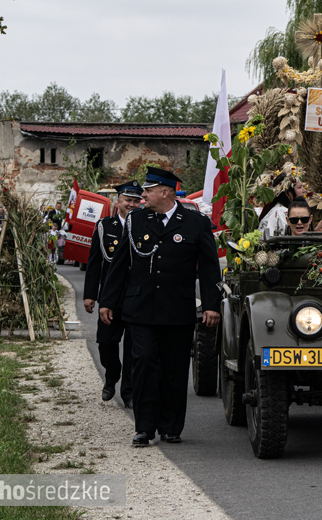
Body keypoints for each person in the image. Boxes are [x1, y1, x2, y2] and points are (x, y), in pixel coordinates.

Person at [100, 167, 221, 447]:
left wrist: (211, 306)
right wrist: (108, 301)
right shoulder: (136, 221)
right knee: (143, 365)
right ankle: (144, 427)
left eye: (148, 191)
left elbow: (210, 268)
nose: (142, 196)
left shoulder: (194, 222)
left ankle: (170, 426)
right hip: (140, 309)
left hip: (176, 310)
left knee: (174, 369)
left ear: (164, 192)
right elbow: (119, 265)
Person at [84, 181, 142, 409]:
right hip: (111, 296)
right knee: (106, 341)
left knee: (133, 348)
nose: (133, 204)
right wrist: (90, 295)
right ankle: (111, 374)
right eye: (128, 200)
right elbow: (94, 263)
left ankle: (128, 392)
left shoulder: (144, 226)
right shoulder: (104, 227)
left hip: (136, 295)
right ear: (118, 202)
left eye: (137, 200)